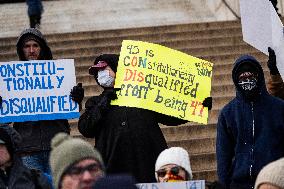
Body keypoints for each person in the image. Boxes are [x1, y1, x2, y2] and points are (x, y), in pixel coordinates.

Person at [78, 54, 212, 183]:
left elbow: (169, 116)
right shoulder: (95, 102)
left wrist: (197, 107)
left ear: (118, 69)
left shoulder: (143, 95)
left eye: (104, 69)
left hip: (148, 162)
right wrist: (102, 104)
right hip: (114, 168)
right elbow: (85, 128)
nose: (101, 74)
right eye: (98, 72)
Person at [5, 28, 84, 176]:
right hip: (28, 149)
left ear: (42, 48)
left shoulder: (59, 75)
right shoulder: (12, 80)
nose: (31, 50)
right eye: (26, 46)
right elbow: (5, 122)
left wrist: (76, 99)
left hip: (58, 146)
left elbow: (73, 110)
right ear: (21, 50)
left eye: (35, 45)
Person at [216, 55, 284, 189]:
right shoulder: (227, 113)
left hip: (273, 182)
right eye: (242, 78)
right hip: (239, 184)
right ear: (236, 80)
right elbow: (223, 157)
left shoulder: (279, 108)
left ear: (258, 76)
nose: (247, 81)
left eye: (250, 76)